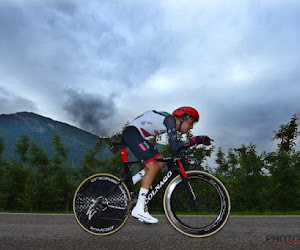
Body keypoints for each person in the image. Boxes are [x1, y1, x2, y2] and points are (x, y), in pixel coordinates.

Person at [122, 106, 213, 224]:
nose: (191, 127)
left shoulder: (169, 121)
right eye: (191, 123)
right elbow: (175, 146)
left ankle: (130, 182)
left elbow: (177, 147)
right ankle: (139, 208)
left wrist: (194, 143)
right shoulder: (170, 120)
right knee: (153, 167)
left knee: (161, 161)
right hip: (132, 133)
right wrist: (197, 139)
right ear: (183, 118)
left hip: (136, 134)